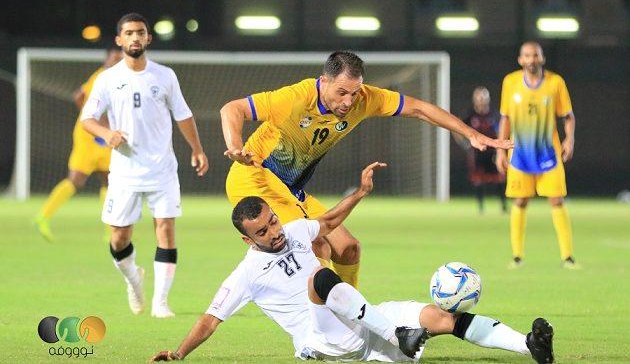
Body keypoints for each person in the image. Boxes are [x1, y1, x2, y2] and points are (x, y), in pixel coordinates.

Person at [150, 163, 554, 363]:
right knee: (319, 278)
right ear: (247, 239)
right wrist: (179, 354)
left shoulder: (293, 230)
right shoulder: (246, 274)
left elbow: (327, 222)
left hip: (361, 323)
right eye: (263, 231)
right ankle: (397, 335)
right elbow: (210, 320)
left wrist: (360, 192)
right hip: (322, 340)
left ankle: (530, 346)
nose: (275, 231)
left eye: (273, 221)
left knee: (438, 317)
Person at [221, 51, 513, 289]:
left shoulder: (363, 100)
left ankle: (350, 313)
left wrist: (470, 133)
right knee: (316, 247)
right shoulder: (295, 98)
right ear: (324, 81)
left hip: (289, 189)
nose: (348, 101)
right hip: (254, 178)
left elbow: (420, 108)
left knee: (348, 249)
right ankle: (322, 323)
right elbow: (232, 109)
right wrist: (235, 145)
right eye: (341, 92)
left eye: (354, 92)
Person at [81, 13, 209, 318]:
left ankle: (160, 302)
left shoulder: (165, 76)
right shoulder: (107, 79)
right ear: (119, 40)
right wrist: (107, 134)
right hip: (125, 171)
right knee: (118, 238)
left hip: (162, 169)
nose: (135, 37)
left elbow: (183, 115)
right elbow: (87, 119)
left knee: (165, 229)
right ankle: (133, 279)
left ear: (148, 38)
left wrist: (197, 149)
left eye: (140, 32)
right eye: (129, 33)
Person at [496, 42, 578, 269]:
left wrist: (569, 139)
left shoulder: (555, 82)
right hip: (519, 154)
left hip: (548, 153)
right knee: (520, 201)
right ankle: (517, 256)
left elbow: (568, 116)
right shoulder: (510, 82)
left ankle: (567, 257)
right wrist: (500, 149)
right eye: (527, 56)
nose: (531, 59)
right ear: (520, 60)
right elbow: (505, 118)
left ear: (542, 58)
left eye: (535, 55)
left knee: (557, 200)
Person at [35, 47, 122, 242]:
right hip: (88, 136)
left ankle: (110, 229)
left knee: (109, 179)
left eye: (120, 59)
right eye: (115, 58)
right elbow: (80, 97)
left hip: (103, 137)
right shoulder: (102, 78)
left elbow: (80, 95)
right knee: (77, 179)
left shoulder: (115, 78)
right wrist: (91, 118)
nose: (117, 62)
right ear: (107, 60)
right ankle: (43, 217)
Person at [454, 86, 506, 214]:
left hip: (492, 152)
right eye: (479, 99)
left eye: (483, 98)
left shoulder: (494, 114)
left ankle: (504, 206)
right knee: (478, 179)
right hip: (477, 152)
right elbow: (457, 127)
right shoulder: (470, 114)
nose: (481, 101)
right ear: (475, 100)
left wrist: (500, 146)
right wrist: (465, 143)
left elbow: (502, 129)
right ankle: (481, 208)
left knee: (499, 178)